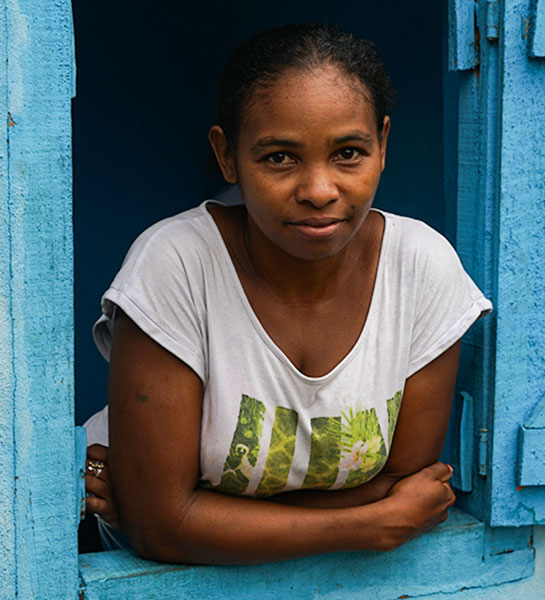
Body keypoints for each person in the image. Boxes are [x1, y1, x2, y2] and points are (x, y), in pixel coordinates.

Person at [83, 22, 492, 565]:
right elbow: (162, 531)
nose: (319, 191)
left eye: (349, 152)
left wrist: (199, 510)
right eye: (280, 157)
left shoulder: (420, 267)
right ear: (227, 156)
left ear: (383, 143)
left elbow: (403, 485)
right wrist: (364, 524)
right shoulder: (176, 264)